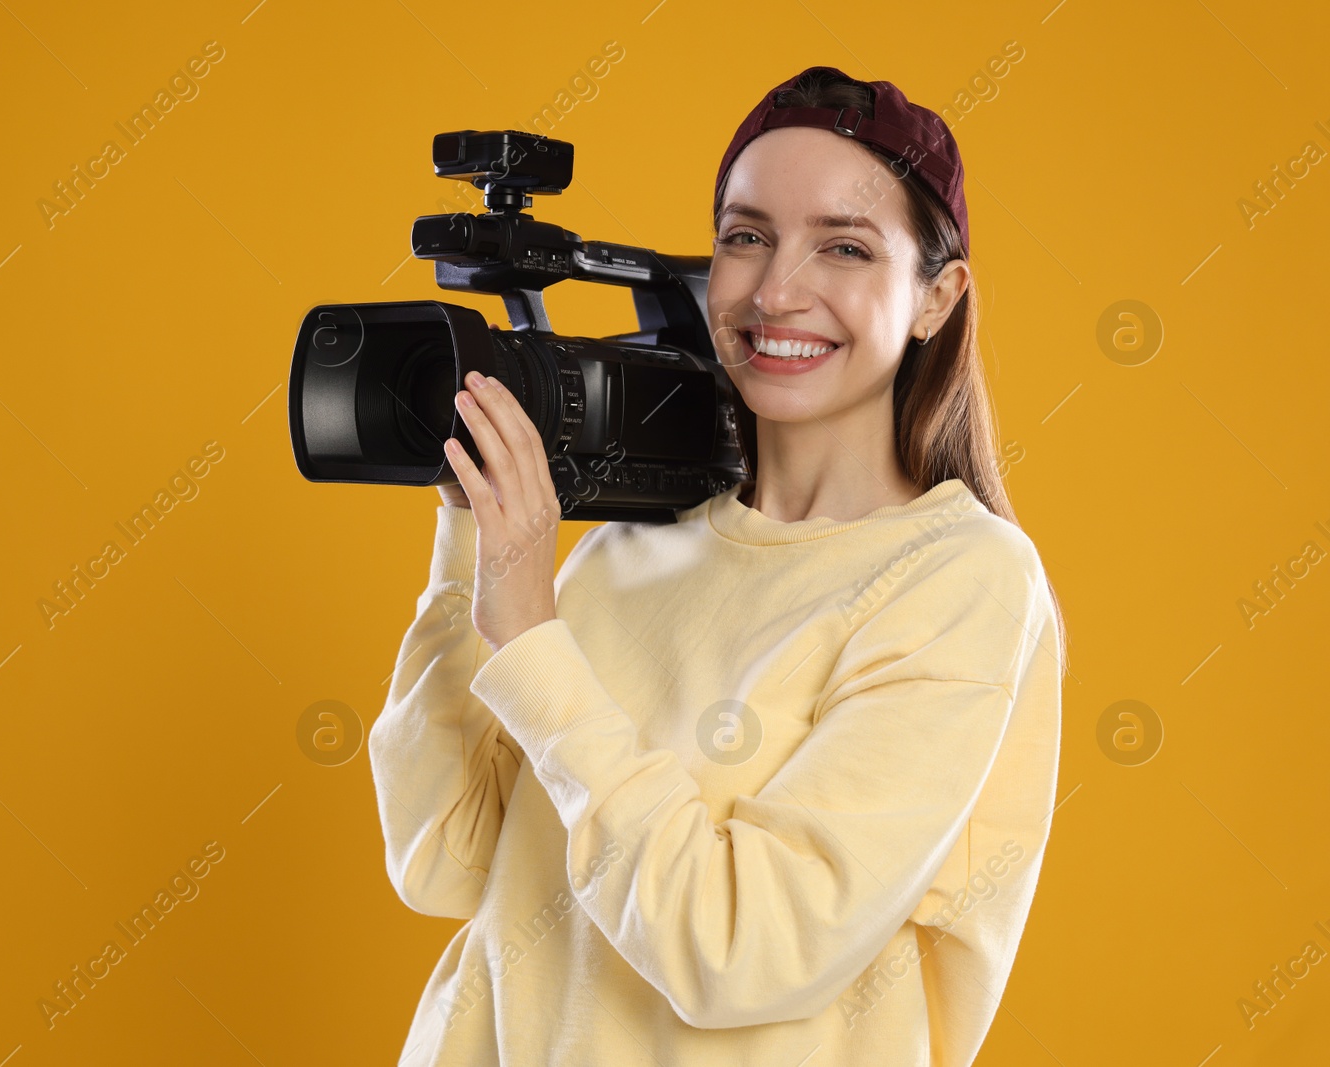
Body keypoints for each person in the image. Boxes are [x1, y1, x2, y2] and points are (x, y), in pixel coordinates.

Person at [369, 65, 1067, 1066]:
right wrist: (472, 554)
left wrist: (530, 637)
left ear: (935, 297)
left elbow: (741, 951)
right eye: (746, 236)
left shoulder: (958, 579)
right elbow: (444, 859)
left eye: (845, 246)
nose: (778, 290)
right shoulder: (631, 544)